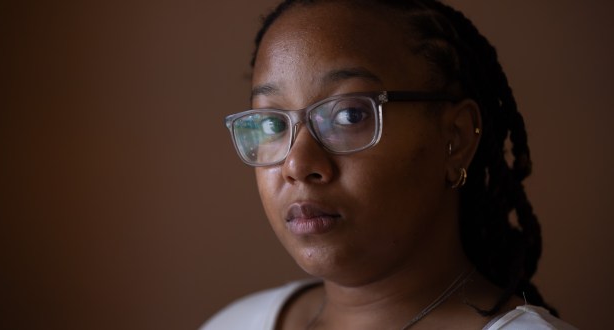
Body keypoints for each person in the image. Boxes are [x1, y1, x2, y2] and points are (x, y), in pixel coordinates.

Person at [202, 0, 577, 329]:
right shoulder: (234, 323)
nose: (297, 164)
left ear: (456, 138)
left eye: (349, 114)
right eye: (272, 124)